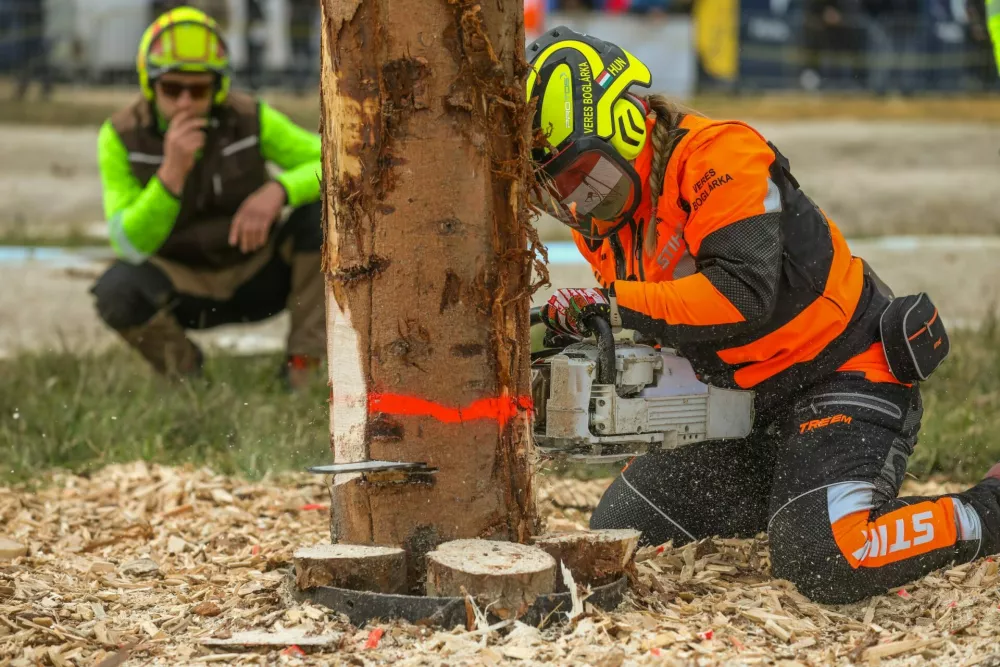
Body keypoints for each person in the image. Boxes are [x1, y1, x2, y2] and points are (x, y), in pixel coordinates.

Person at [526, 27, 1000, 604]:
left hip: (845, 375)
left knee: (827, 558)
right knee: (625, 527)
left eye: (588, 177)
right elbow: (667, 325)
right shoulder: (606, 228)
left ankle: (987, 510)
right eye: (560, 193)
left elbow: (740, 298)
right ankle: (798, 496)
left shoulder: (719, 157)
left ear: (630, 124)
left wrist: (614, 306)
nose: (581, 204)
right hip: (750, 408)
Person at [91, 6, 326, 390]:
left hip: (257, 272)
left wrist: (279, 191)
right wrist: (171, 174)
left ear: (217, 87)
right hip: (183, 286)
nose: (185, 102)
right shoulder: (119, 136)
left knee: (320, 217)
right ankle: (189, 379)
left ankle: (303, 369)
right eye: (172, 89)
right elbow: (128, 244)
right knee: (116, 290)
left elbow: (331, 158)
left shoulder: (250, 117)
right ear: (151, 86)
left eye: (198, 89)